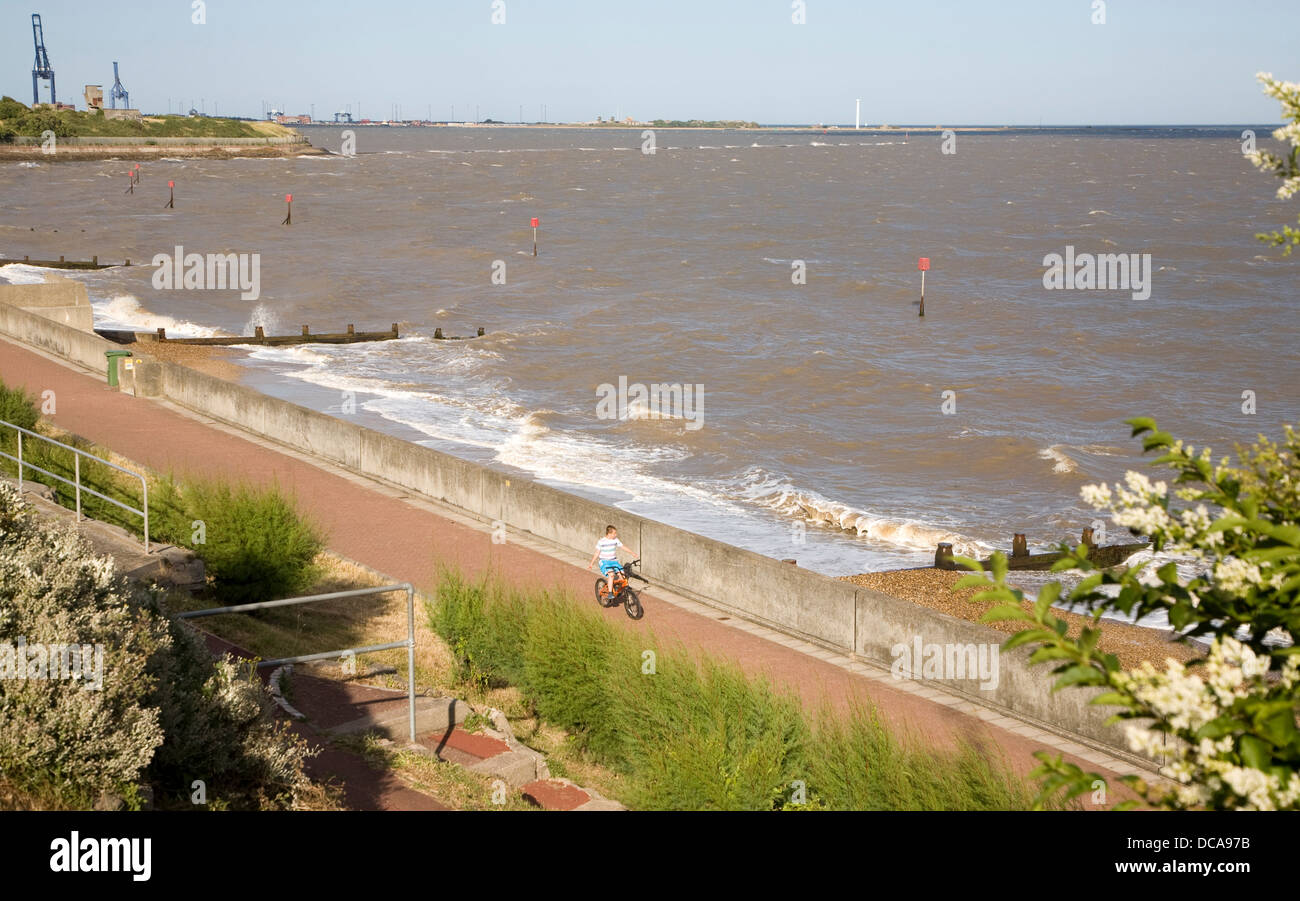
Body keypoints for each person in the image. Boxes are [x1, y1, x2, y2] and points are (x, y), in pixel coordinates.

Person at [587, 524, 636, 598]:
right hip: (604, 562)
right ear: (609, 533)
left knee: (622, 574)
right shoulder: (601, 541)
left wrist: (632, 553)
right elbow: (597, 553)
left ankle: (618, 589)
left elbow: (623, 547)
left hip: (614, 561)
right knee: (612, 574)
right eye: (614, 533)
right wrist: (591, 564)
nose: (616, 534)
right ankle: (610, 592)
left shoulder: (615, 540)